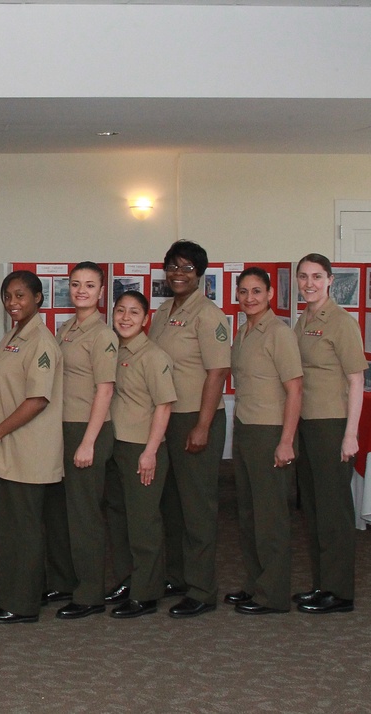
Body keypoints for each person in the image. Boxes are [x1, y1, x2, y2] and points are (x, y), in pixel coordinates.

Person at [0, 270, 63, 624]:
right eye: (8, 296)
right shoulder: (14, 335)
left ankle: (22, 604)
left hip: (27, 448)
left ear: (38, 298)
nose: (13, 303)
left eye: (21, 296)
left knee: (22, 528)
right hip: (11, 448)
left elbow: (37, 399)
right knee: (12, 526)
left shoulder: (40, 341)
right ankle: (17, 590)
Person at [148, 240, 230, 618]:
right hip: (167, 416)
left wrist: (202, 425)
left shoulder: (208, 315)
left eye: (186, 268)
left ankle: (201, 589)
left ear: (200, 273)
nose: (178, 274)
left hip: (196, 415)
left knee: (197, 508)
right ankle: (178, 577)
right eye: (173, 267)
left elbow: (217, 373)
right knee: (172, 505)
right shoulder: (164, 310)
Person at [292, 254, 365, 614]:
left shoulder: (341, 323)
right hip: (306, 424)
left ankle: (339, 592)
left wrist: (350, 434)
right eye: (303, 277)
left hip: (332, 424)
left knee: (334, 509)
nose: (309, 283)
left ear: (331, 279)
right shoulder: (303, 321)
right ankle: (322, 584)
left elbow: (355, 381)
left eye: (317, 277)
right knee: (315, 508)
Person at [227, 267, 302, 615]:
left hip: (271, 431)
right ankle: (256, 584)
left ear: (270, 294)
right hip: (245, 428)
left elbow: (295, 390)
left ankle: (273, 595)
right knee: (249, 514)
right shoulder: (243, 331)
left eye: (256, 291)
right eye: (243, 291)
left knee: (270, 517)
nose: (249, 298)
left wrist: (286, 441)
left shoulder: (279, 333)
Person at [104, 290, 176, 619]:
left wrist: (150, 452)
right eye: (120, 311)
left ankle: (146, 592)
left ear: (146, 319)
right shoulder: (112, 350)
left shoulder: (153, 356)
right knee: (119, 518)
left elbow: (164, 406)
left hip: (142, 449)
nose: (126, 317)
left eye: (134, 312)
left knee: (144, 522)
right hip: (115, 445)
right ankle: (128, 579)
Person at [53, 262, 117, 619]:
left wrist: (89, 442)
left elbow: (105, 391)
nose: (81, 291)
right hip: (64, 427)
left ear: (101, 291)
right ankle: (68, 583)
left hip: (87, 430)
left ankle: (90, 593)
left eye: (89, 285)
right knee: (65, 514)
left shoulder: (102, 335)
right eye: (76, 284)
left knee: (85, 516)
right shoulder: (66, 329)